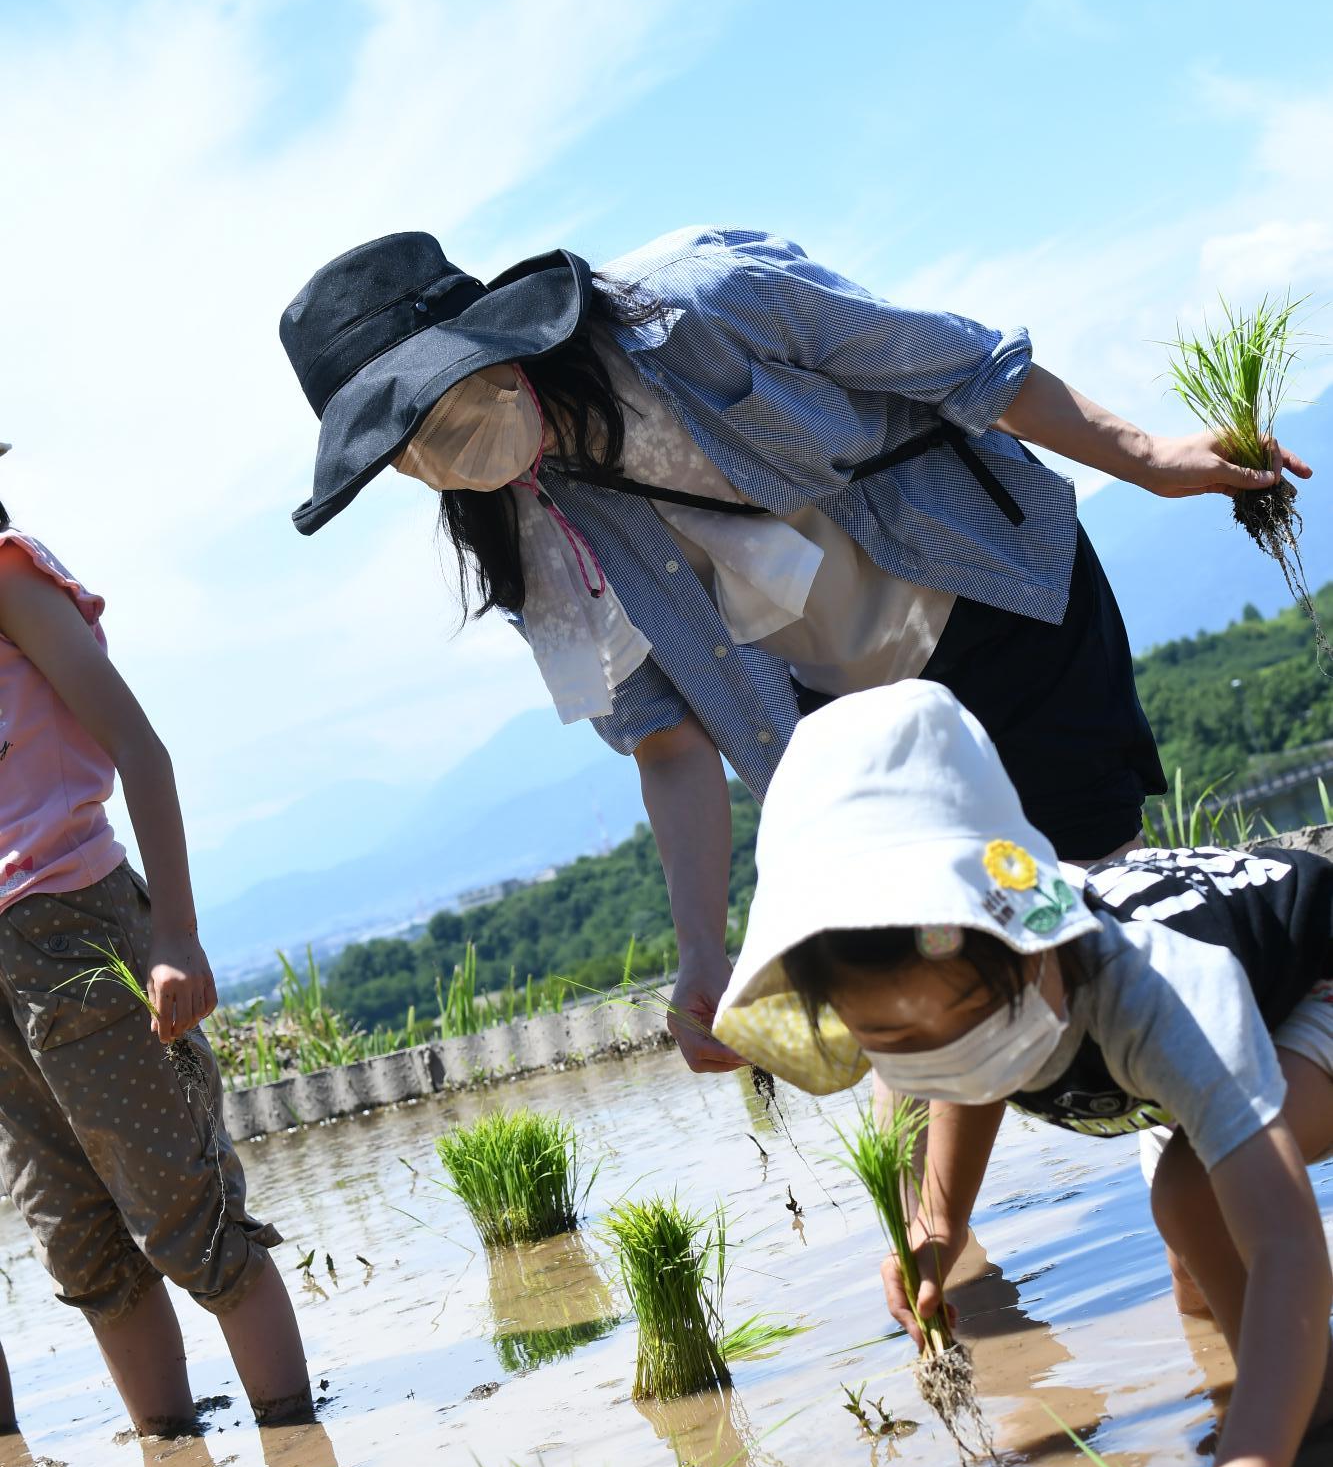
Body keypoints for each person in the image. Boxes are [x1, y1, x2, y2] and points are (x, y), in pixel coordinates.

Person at [278, 226, 1309, 1071]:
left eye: (439, 408)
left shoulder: (701, 305)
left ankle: (1276, 1082)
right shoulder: (524, 530)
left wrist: (1151, 458)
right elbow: (668, 740)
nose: (438, 454)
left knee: (1095, 920)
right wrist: (701, 950)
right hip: (848, 728)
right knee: (911, 970)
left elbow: (966, 367)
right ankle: (941, 1260)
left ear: (495, 342)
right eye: (405, 448)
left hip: (993, 607)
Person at [711, 680, 1333, 1467]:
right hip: (1195, 1052)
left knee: (1192, 1195)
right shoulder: (978, 995)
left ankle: (1308, 1434)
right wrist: (938, 1226)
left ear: (1029, 938)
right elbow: (974, 1081)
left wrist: (1249, 1463)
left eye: (968, 1021)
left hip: (1314, 974)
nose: (942, 1058)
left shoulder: (1157, 989)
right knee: (1199, 1294)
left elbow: (1289, 1239)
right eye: (893, 1041)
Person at [0, 445, 310, 1434]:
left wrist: (174, 932)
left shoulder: (9, 576)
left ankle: (301, 1452)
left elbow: (142, 747)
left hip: (74, 928)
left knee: (187, 1212)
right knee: (81, 1244)